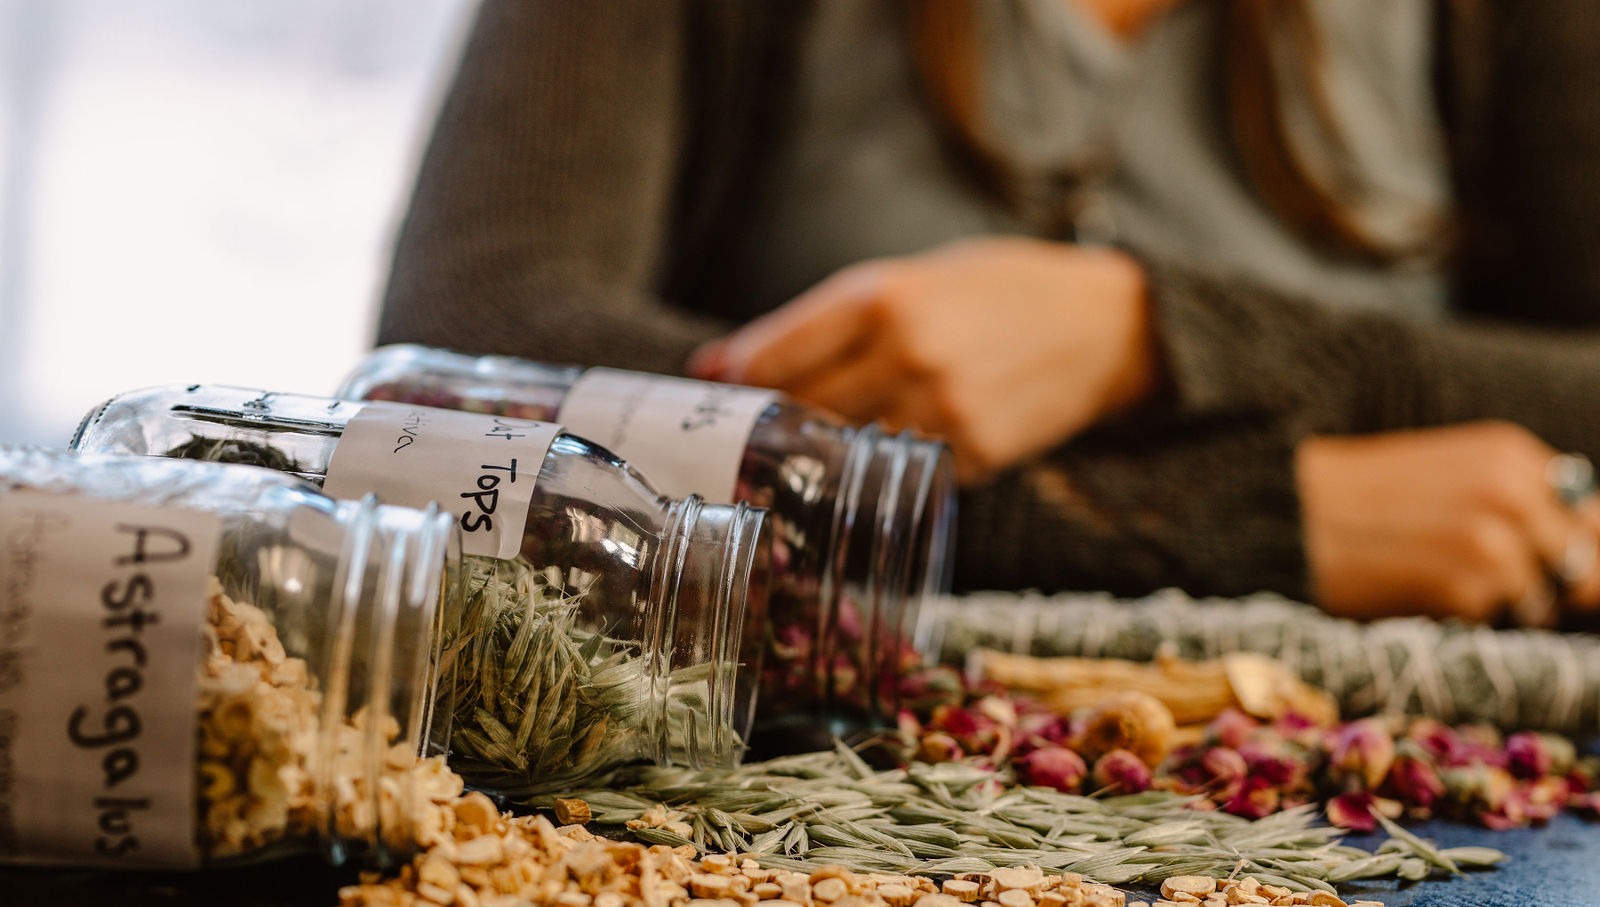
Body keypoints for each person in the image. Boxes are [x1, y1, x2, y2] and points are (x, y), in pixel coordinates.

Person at [376, 0, 1600, 630]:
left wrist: (1150, 333)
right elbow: (458, 373)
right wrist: (1256, 524)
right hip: (791, 822)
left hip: (1416, 863)